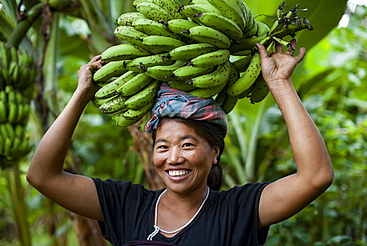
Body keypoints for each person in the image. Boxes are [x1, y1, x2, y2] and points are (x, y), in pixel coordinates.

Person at [26, 39, 334, 246]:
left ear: (215, 152)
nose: (173, 157)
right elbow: (42, 176)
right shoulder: (126, 205)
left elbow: (315, 176)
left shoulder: (237, 211)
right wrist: (81, 94)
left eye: (187, 145)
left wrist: (279, 83)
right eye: (163, 147)